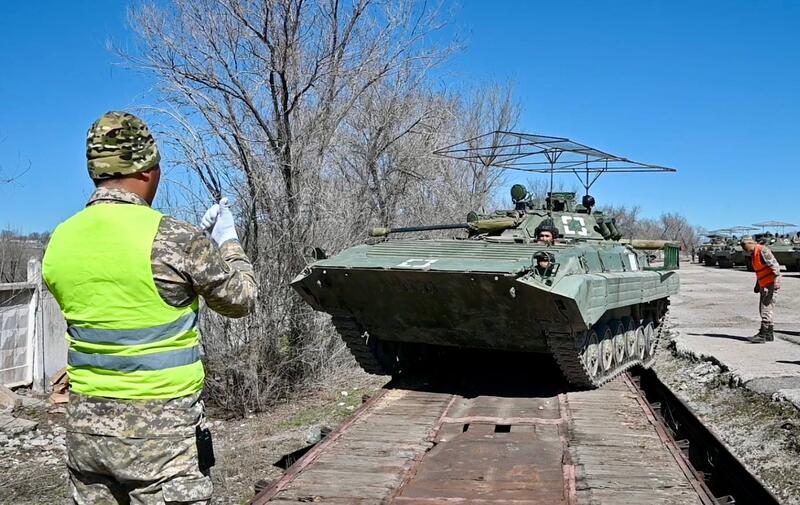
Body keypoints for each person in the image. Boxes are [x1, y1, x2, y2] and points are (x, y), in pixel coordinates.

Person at [42, 111, 258, 504]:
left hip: (86, 436)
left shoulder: (60, 240)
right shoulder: (178, 239)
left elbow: (121, 288)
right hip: (161, 441)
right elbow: (241, 300)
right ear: (146, 171)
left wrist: (195, 249)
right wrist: (226, 242)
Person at [739, 236, 780, 343]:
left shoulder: (762, 250)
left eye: (744, 246)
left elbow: (775, 266)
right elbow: (760, 270)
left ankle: (763, 335)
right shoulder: (754, 254)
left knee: (765, 308)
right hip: (764, 284)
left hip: (770, 284)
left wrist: (776, 281)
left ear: (750, 243)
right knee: (767, 308)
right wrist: (757, 285)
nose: (744, 249)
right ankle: (769, 334)